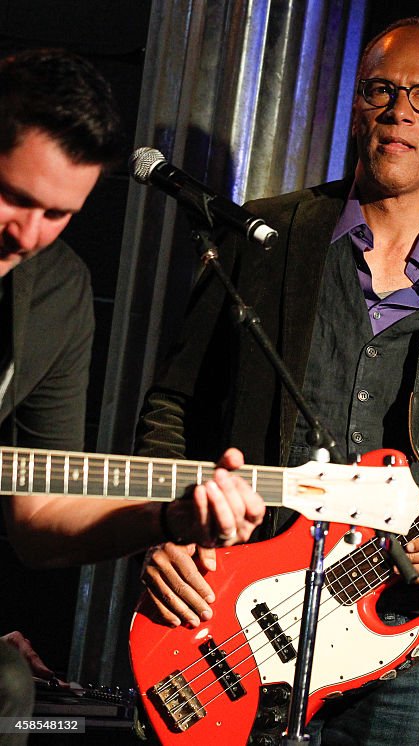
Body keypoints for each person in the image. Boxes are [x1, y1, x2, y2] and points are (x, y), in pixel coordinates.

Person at [135, 16, 419, 745]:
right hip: (232, 620)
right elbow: (173, 405)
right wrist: (165, 529)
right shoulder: (263, 237)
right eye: (382, 89)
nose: (400, 108)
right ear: (357, 109)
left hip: (405, 639)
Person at [0, 49, 265, 743]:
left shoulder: (55, 293)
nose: (26, 235)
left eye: (57, 214)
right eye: (14, 197)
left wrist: (168, 519)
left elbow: (38, 518)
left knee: (13, 693)